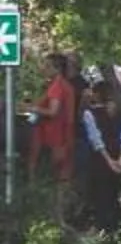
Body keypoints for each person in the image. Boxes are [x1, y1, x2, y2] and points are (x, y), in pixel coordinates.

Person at [76, 75, 121, 234]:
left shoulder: (90, 114)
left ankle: (103, 228)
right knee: (115, 194)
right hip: (119, 157)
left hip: (100, 160)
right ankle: (116, 228)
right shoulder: (119, 114)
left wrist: (109, 161)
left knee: (100, 195)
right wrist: (120, 161)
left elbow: (96, 140)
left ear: (96, 94)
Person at [27, 52, 80, 214]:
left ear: (55, 68)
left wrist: (31, 108)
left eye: (46, 65)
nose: (42, 68)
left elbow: (53, 111)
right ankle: (60, 216)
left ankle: (50, 215)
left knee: (52, 178)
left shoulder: (57, 86)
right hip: (64, 136)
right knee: (62, 179)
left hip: (54, 139)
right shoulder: (65, 85)